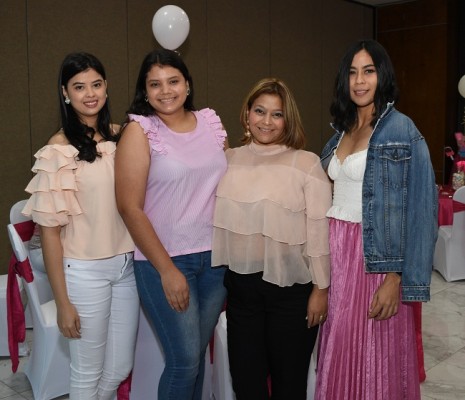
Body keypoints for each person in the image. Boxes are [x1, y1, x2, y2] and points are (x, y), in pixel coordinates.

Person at [315, 39, 438, 400]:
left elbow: (422, 210)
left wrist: (396, 277)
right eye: (352, 72)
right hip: (337, 254)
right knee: (339, 346)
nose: (360, 80)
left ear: (382, 75)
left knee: (375, 354)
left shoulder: (402, 130)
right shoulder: (340, 130)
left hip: (374, 258)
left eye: (368, 71)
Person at [22, 52, 138, 400]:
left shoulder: (123, 137)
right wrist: (63, 303)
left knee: (119, 369)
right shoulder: (58, 150)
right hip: (84, 272)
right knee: (86, 374)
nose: (90, 93)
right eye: (79, 86)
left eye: (96, 84)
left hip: (127, 268)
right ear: (65, 93)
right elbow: (50, 235)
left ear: (106, 87)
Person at [114, 48, 228, 400]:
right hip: (165, 261)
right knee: (183, 362)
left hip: (216, 261)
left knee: (194, 359)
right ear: (144, 91)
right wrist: (167, 270)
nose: (166, 90)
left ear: (188, 84)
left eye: (173, 81)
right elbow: (129, 207)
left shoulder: (209, 123)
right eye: (155, 84)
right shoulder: (140, 131)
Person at [212, 78, 332, 400]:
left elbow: (319, 233)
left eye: (276, 115)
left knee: (289, 386)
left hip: (292, 294)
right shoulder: (228, 160)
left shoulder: (306, 164)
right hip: (242, 292)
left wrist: (321, 289)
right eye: (260, 111)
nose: (266, 121)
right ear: (247, 114)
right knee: (246, 383)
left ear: (288, 119)